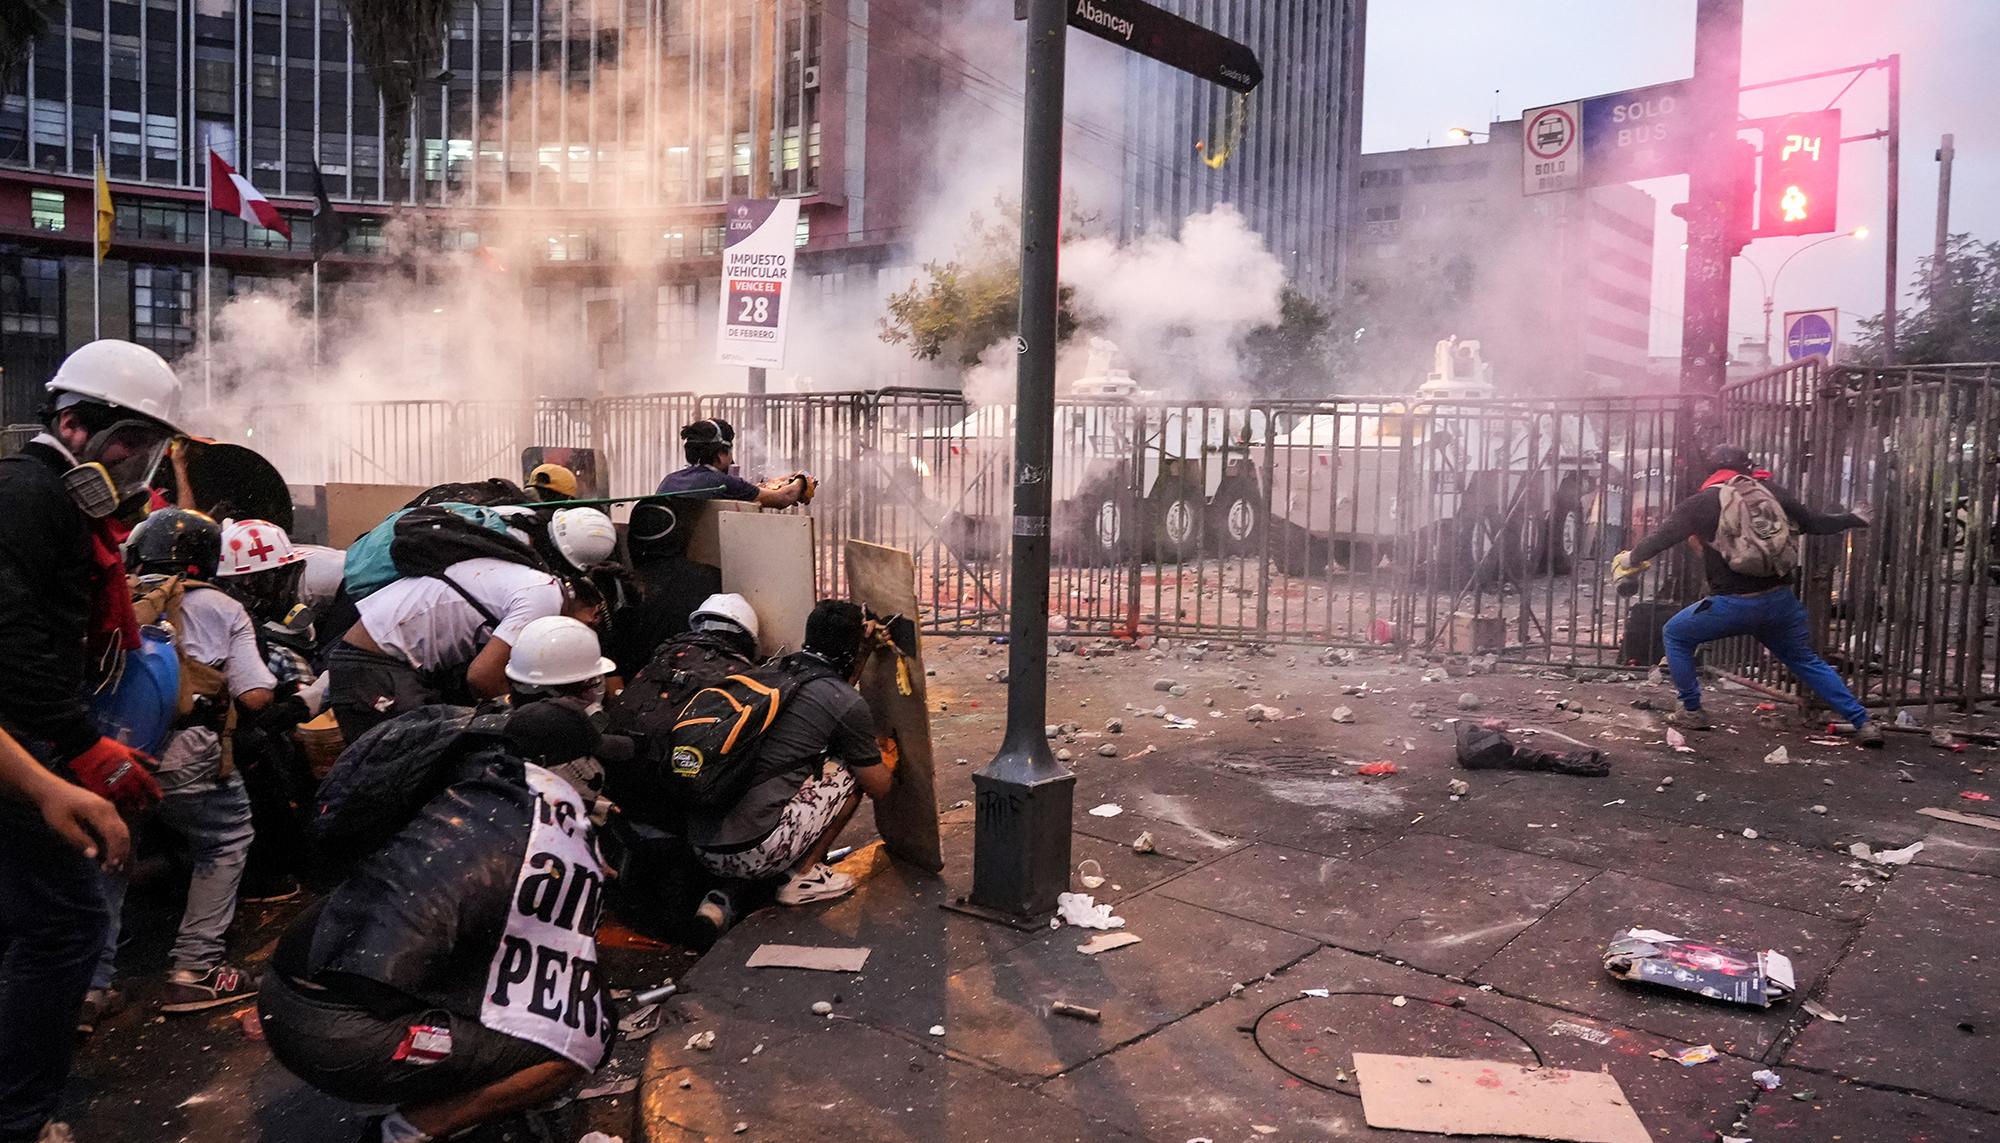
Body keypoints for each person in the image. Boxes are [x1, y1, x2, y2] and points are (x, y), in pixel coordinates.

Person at [259, 624, 623, 1143]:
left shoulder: (463, 759)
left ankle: (422, 1072)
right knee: (580, 1037)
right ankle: (412, 1128)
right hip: (344, 1036)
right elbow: (552, 977)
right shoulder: (545, 840)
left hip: (289, 981)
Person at [0, 339, 176, 1143]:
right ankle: (21, 1117)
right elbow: (15, 641)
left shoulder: (48, 501)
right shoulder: (26, 495)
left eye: (148, 451)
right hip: (23, 752)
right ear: (72, 424)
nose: (138, 471)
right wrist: (79, 749)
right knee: (66, 925)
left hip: (34, 746)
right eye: (129, 447)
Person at [97, 508, 277, 1016]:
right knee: (225, 838)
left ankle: (88, 986)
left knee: (110, 852)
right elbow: (257, 695)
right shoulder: (223, 607)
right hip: (187, 760)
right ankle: (194, 970)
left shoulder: (114, 591)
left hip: (109, 757)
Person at [1614, 444, 1883, 747]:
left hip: (1731, 605)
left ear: (1711, 469)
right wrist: (1856, 518)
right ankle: (1862, 722)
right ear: (1748, 467)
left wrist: (1630, 560)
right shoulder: (1771, 494)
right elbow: (1816, 523)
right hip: (1779, 602)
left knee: (1675, 633)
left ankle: (1691, 709)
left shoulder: (1703, 501)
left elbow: (1660, 538)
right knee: (1807, 661)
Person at [325, 507, 615, 743]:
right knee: (406, 775)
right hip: (375, 669)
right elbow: (482, 677)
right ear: (593, 614)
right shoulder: (544, 597)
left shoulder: (534, 580)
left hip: (381, 662)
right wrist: (526, 722)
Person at [685, 600, 892, 928]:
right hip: (753, 851)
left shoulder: (774, 670)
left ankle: (730, 896)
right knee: (851, 769)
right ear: (852, 650)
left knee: (777, 787)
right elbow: (879, 787)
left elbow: (835, 690)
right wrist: (888, 758)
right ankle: (803, 877)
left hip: (702, 847)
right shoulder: (844, 703)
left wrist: (860, 650)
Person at [215, 518, 323, 904]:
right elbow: (255, 698)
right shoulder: (238, 620)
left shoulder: (213, 604)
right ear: (251, 582)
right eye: (275, 578)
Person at [654, 417, 808, 507]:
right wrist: (802, 479)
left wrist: (781, 480)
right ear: (721, 453)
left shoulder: (670, 479)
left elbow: (745, 491)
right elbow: (785, 497)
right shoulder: (722, 482)